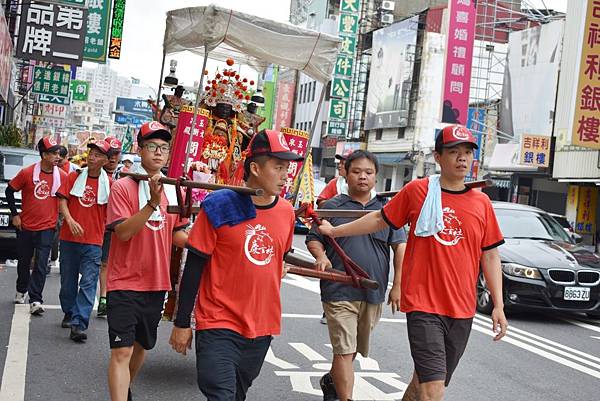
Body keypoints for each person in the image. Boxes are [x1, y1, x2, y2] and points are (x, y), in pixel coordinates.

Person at [318, 125, 508, 401]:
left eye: (467, 152)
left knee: (424, 380)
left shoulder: (482, 203)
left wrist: (498, 305)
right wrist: (335, 232)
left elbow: (490, 254)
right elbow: (379, 219)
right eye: (454, 152)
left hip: (462, 308)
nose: (462, 159)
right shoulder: (418, 191)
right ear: (438, 156)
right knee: (433, 390)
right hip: (424, 304)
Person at [169, 129, 302, 401]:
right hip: (218, 322)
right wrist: (182, 323)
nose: (285, 175)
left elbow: (279, 256)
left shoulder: (287, 212)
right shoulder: (220, 206)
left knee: (237, 394)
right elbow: (194, 266)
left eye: (286, 168)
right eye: (278, 167)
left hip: (262, 326)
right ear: (254, 167)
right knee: (221, 396)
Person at [306, 150, 407, 401]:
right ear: (346, 174)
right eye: (356, 171)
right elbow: (314, 239)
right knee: (343, 349)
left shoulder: (386, 210)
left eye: (369, 172)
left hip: (373, 290)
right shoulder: (331, 207)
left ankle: (331, 382)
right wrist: (321, 256)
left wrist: (398, 286)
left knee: (351, 351)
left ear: (376, 177)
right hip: (338, 289)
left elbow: (400, 248)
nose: (363, 177)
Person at [106, 121, 188, 401]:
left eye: (163, 148)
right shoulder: (122, 187)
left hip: (156, 283)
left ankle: (124, 389)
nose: (158, 152)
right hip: (124, 281)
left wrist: (213, 244)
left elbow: (177, 234)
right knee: (122, 350)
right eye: (151, 146)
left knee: (142, 346)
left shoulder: (173, 189)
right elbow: (123, 232)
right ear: (140, 150)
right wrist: (152, 203)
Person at [57, 140, 111, 342]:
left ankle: (79, 324)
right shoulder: (74, 176)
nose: (92, 157)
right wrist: (69, 220)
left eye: (97, 155)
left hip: (94, 241)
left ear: (105, 160)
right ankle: (69, 311)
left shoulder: (109, 185)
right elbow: (62, 199)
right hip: (69, 238)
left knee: (88, 283)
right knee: (68, 281)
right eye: (91, 154)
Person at [5, 137, 67, 313]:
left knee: (41, 264)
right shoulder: (27, 173)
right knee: (24, 262)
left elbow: (67, 197)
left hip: (47, 227)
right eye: (53, 153)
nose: (57, 156)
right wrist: (15, 215)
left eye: (58, 153)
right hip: (26, 226)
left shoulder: (61, 176)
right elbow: (10, 191)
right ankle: (21, 289)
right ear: (44, 154)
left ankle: (36, 300)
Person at [97, 136, 123, 318]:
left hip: (114, 227)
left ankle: (104, 298)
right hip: (94, 226)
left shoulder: (127, 175)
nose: (113, 158)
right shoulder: (92, 173)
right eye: (110, 154)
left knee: (108, 263)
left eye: (116, 154)